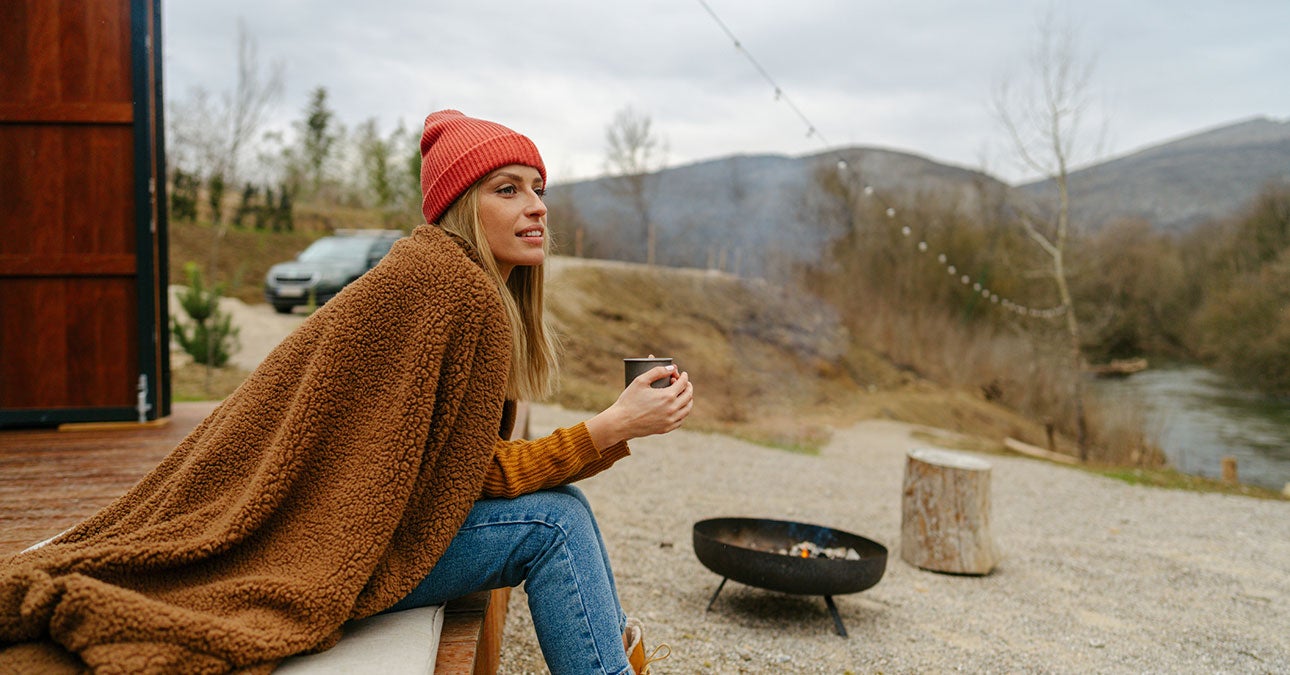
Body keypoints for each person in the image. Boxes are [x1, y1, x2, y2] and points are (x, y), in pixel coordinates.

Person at [0, 110, 691, 675]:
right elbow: (475, 477)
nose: (536, 206)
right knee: (554, 523)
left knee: (559, 508)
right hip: (341, 552)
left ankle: (618, 654)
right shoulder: (451, 289)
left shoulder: (441, 279)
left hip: (364, 531)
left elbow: (453, 469)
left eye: (538, 187)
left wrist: (610, 428)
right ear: (460, 206)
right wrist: (609, 427)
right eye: (506, 189)